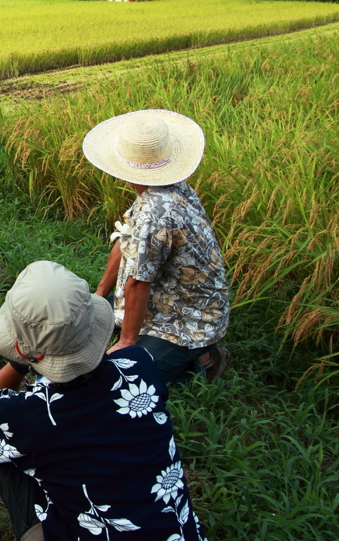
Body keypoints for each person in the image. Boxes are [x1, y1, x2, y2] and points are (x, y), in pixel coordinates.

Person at [0, 261, 210, 541]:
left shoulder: (24, 417)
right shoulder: (141, 363)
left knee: (2, 451)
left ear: (20, 349)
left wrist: (21, 361)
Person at [83, 109, 230, 385]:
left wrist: (127, 341)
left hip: (187, 318)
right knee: (86, 318)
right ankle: (181, 353)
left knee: (127, 379)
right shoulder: (164, 189)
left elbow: (139, 283)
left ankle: (204, 361)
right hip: (166, 300)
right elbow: (125, 238)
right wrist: (100, 294)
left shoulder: (156, 210)